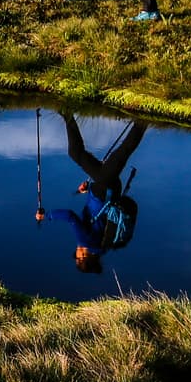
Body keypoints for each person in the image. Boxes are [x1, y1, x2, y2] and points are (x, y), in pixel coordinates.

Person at [45, 111, 146, 274]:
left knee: (81, 154)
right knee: (120, 153)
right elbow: (70, 217)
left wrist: (88, 190)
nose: (75, 252)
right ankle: (143, 122)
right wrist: (47, 216)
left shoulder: (104, 246)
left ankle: (67, 114)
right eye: (76, 257)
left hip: (108, 189)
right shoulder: (85, 241)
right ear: (83, 257)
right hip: (103, 186)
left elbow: (97, 216)